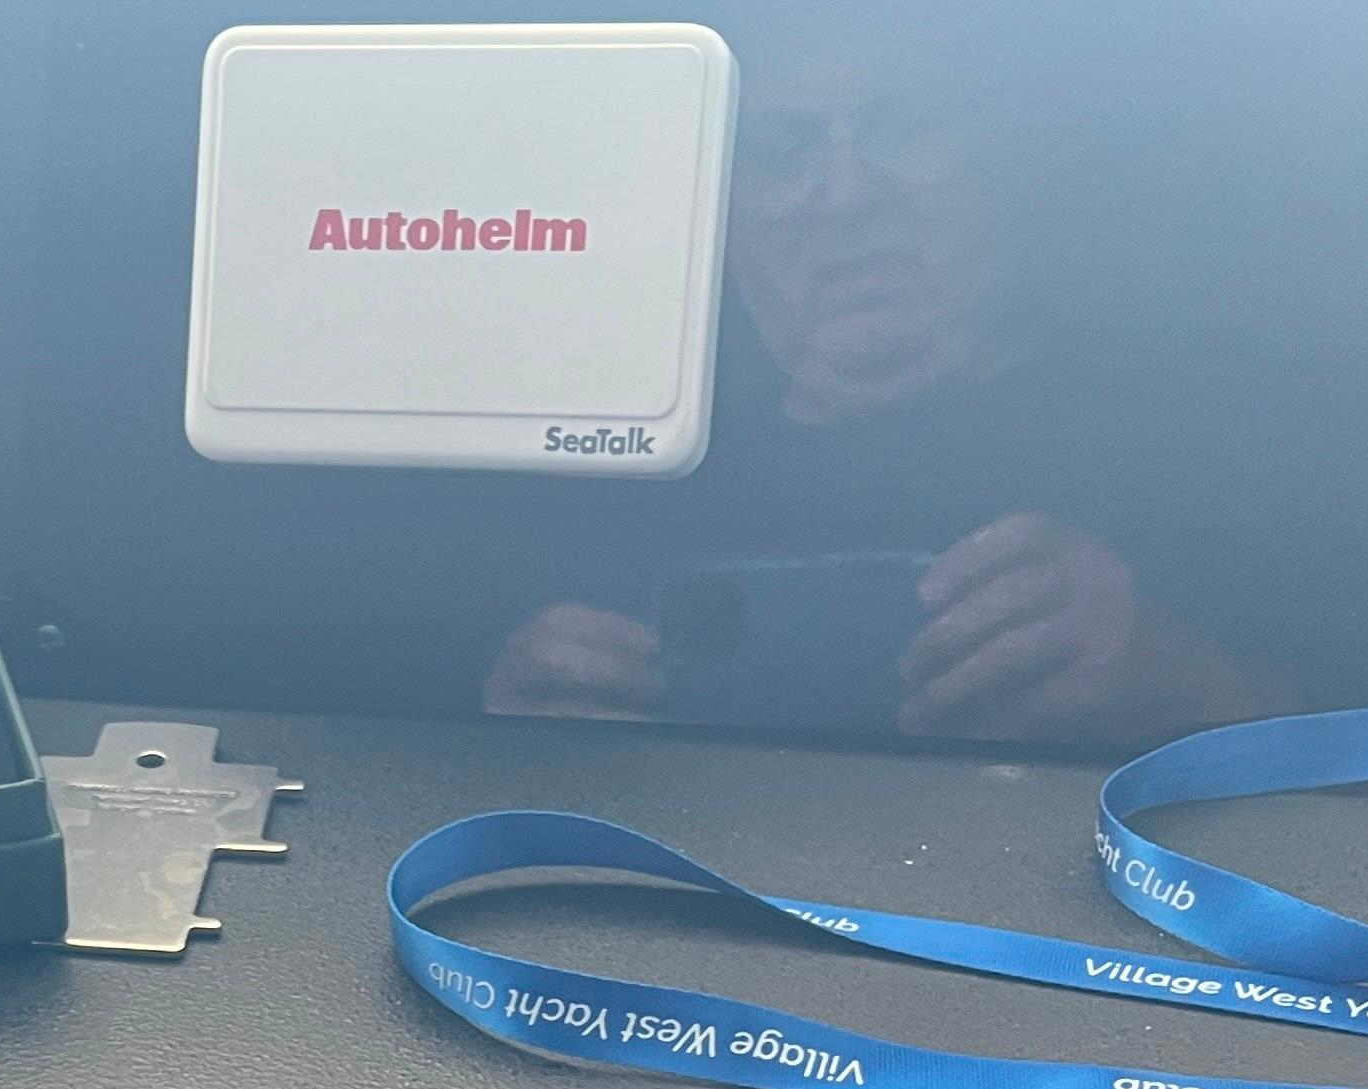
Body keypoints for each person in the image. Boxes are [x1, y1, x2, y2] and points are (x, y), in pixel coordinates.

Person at [486, 5, 1288, 746]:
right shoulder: (594, 461)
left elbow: (1353, 757)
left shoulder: (1223, 445)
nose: (842, 198)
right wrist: (525, 734)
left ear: (1019, 158)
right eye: (782, 149)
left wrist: (1186, 686)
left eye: (901, 127)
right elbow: (453, 759)